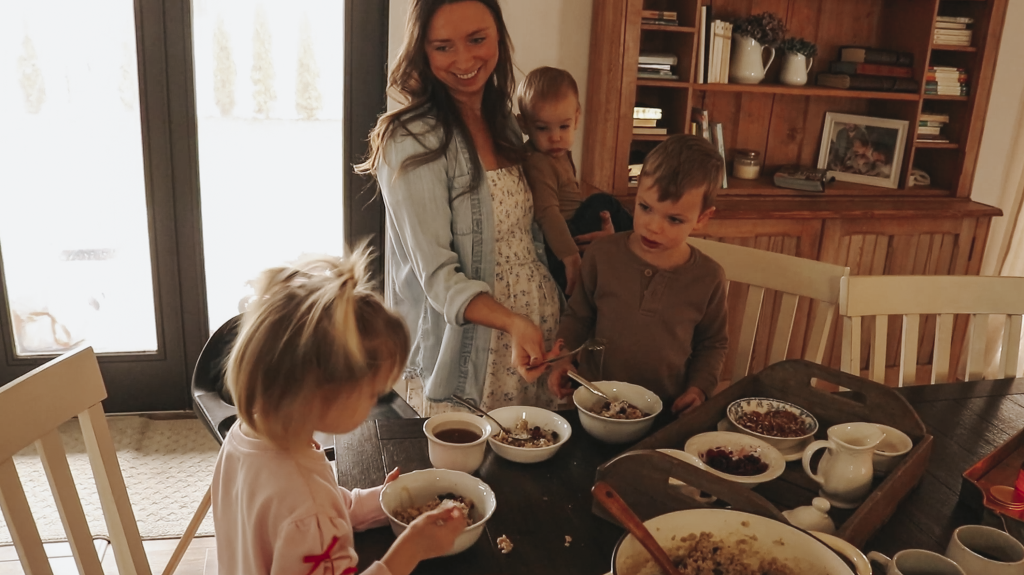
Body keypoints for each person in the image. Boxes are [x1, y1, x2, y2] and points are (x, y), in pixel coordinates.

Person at [355, 0, 562, 414]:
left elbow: (525, 232)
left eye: (477, 39)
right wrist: (512, 321)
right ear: (422, 50)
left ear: (498, 37)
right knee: (458, 477)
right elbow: (438, 279)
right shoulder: (410, 139)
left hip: (532, 337)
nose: (465, 59)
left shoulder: (503, 120)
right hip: (467, 354)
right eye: (443, 46)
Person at [211, 249, 467, 575]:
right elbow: (312, 513)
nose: (377, 400)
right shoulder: (308, 510)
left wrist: (384, 499)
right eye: (374, 391)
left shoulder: (245, 435)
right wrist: (411, 549)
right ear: (324, 395)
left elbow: (324, 505)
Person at [545, 135, 729, 416]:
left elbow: (712, 344)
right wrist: (562, 360)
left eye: (674, 219)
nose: (653, 227)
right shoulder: (601, 255)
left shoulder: (710, 278)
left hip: (667, 413)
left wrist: (699, 389)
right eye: (645, 208)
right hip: (596, 405)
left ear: (703, 218)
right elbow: (578, 317)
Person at [516, 66, 632, 296]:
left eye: (564, 126)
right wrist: (571, 258)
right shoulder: (539, 162)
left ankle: (633, 244)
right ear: (524, 125)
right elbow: (547, 213)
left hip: (573, 229)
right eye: (542, 128)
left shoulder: (558, 153)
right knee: (603, 201)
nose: (556, 136)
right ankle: (638, 241)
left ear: (577, 117)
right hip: (563, 238)